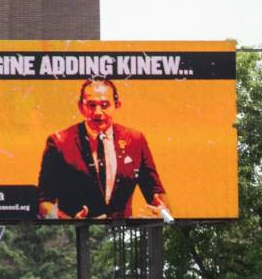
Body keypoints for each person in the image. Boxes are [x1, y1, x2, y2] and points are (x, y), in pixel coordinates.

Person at [37, 79, 170, 220]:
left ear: (117, 105)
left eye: (105, 105)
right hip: (77, 233)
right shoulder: (59, 142)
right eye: (91, 105)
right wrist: (69, 223)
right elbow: (44, 203)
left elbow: (156, 192)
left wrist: (164, 213)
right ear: (80, 107)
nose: (98, 112)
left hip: (120, 231)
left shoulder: (135, 140)